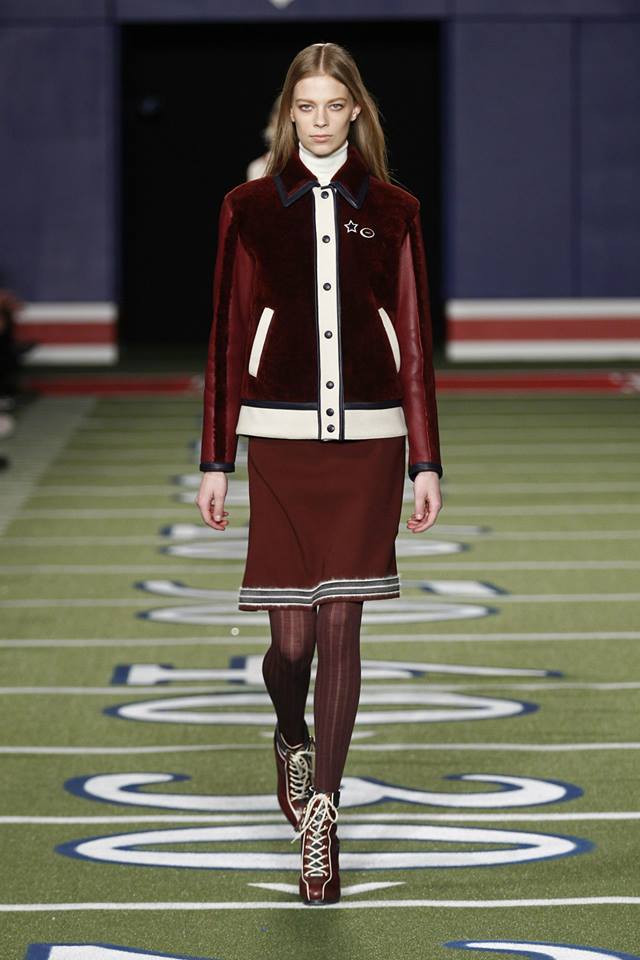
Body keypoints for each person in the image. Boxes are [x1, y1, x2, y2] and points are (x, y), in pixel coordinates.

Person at [196, 41, 443, 906]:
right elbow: (227, 334)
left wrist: (425, 459)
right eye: (307, 106)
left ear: (356, 112)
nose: (321, 120)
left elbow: (415, 340)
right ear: (288, 114)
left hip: (371, 442)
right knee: (291, 643)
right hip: (280, 441)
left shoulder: (398, 210)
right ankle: (289, 734)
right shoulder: (249, 207)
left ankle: (324, 819)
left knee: (341, 625)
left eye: (336, 105)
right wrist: (216, 458)